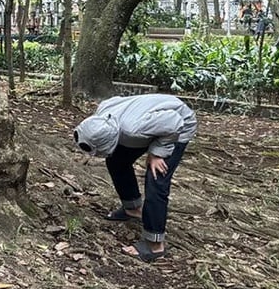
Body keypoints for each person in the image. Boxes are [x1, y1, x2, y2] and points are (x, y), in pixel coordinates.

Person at [73, 94, 197, 262]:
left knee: (156, 179)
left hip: (178, 125)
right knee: (117, 161)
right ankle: (133, 209)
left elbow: (174, 122)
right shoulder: (102, 114)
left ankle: (155, 245)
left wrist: (157, 153)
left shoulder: (134, 129)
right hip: (151, 126)